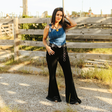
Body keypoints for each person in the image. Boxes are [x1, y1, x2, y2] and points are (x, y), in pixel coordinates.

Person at [43, 7, 81, 105]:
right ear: (54, 15)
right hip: (52, 52)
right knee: (52, 74)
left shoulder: (64, 25)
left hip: (63, 51)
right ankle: (54, 96)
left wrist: (66, 16)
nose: (59, 17)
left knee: (68, 74)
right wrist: (47, 47)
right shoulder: (48, 27)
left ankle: (71, 98)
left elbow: (74, 24)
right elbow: (44, 39)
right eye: (57, 14)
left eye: (61, 15)